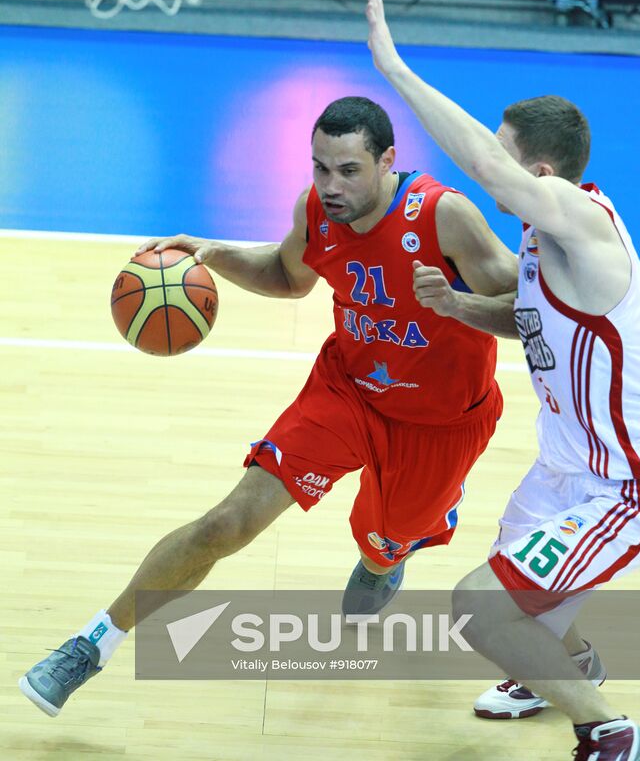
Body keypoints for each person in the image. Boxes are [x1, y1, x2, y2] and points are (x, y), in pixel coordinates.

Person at [19, 94, 518, 717]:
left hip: (442, 424)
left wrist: (458, 305)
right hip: (348, 391)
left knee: (385, 543)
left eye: (348, 170)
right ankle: (91, 644)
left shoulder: (445, 218)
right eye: (319, 168)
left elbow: (527, 310)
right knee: (227, 523)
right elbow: (289, 276)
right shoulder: (317, 212)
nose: (330, 186)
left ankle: (389, 552)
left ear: (388, 160)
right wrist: (212, 253)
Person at [365, 0, 640, 761]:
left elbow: (488, 169)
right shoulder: (547, 244)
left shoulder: (582, 220)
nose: (488, 173)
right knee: (513, 605)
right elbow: (530, 318)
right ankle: (556, 670)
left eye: (504, 162)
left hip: (625, 486)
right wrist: (459, 308)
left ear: (540, 175)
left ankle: (612, 733)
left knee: (478, 607)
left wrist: (396, 73)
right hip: (563, 470)